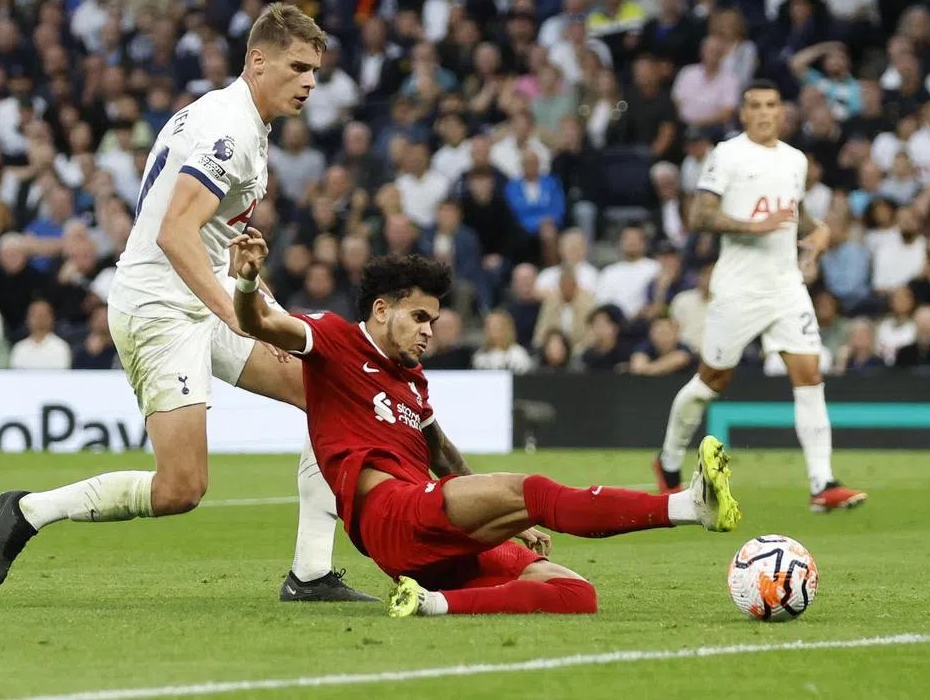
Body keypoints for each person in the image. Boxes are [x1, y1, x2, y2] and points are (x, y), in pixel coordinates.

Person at [0, 4, 374, 603]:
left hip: (200, 290)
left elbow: (209, 237)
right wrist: (238, 315)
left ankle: (311, 573)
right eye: (298, 67)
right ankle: (29, 510)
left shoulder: (242, 120)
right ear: (258, 60)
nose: (310, 82)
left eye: (315, 71)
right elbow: (174, 232)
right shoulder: (230, 130)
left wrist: (260, 300)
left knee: (326, 390)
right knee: (180, 489)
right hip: (159, 309)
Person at [231, 239, 741, 616]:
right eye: (419, 317)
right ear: (382, 310)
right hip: (393, 513)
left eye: (433, 321)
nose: (428, 331)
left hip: (423, 538)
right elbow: (259, 323)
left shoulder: (412, 382)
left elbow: (445, 457)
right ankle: (687, 505)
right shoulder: (336, 340)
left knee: (575, 593)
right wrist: (249, 281)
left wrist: (510, 519)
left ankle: (432, 603)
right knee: (533, 490)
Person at [654, 79, 867, 514]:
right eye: (756, 105)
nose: (765, 113)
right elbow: (700, 215)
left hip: (786, 285)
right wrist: (756, 226)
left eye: (772, 105)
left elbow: (793, 211)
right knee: (711, 383)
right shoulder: (727, 154)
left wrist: (818, 231)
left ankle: (822, 484)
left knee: (810, 374)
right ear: (744, 113)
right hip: (739, 287)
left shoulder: (795, 159)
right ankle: (668, 460)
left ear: (781, 112)